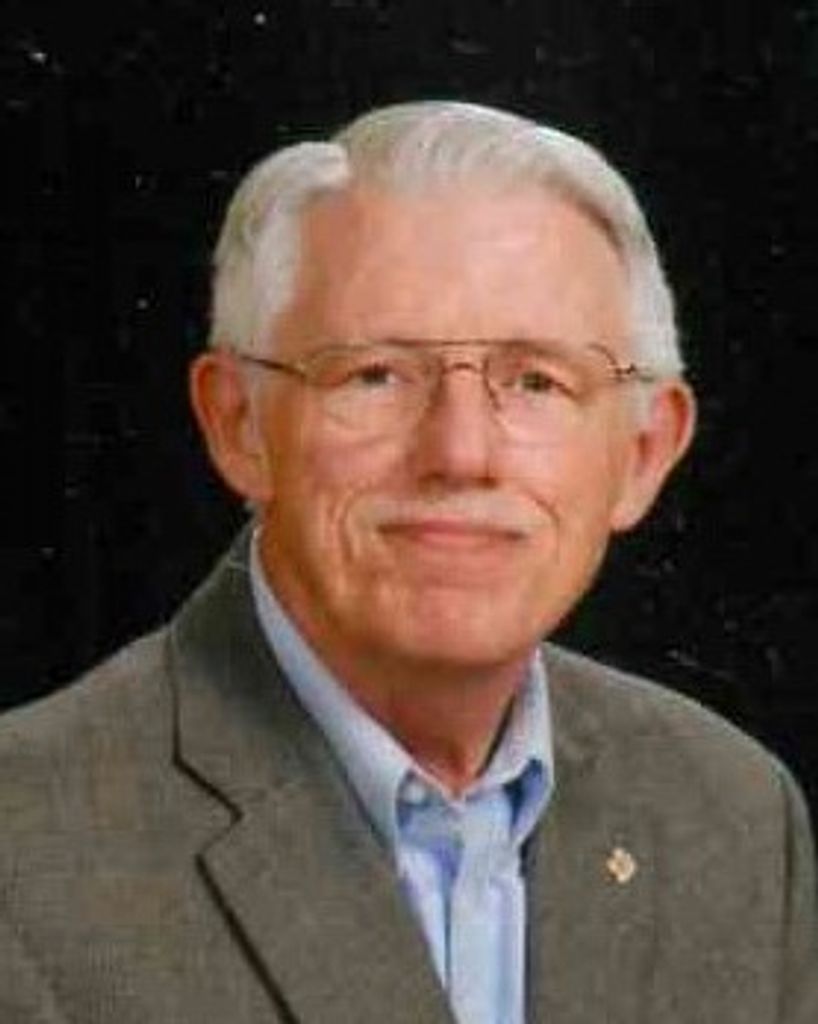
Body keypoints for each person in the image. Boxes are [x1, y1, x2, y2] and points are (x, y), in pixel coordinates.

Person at [1, 101, 815, 1024]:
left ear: (642, 454)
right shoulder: (24, 853)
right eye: (375, 374)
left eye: (537, 380)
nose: (461, 452)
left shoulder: (733, 817)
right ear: (238, 425)